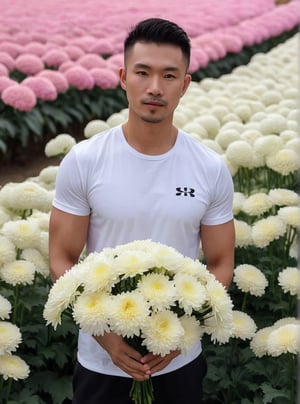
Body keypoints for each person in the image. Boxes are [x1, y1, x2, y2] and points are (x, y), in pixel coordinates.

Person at [49, 17, 235, 404]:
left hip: (179, 360)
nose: (155, 87)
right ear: (122, 77)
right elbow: (62, 257)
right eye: (143, 72)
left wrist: (181, 334)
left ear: (184, 84)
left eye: (169, 75)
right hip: (102, 361)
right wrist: (109, 339)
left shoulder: (209, 167)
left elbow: (220, 263)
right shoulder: (85, 160)